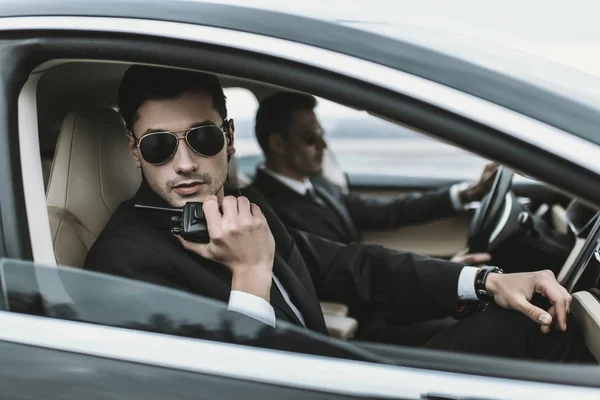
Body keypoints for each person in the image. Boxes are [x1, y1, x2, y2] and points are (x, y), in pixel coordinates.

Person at [83, 65, 593, 362]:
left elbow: (349, 265)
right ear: (133, 149)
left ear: (230, 139)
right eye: (158, 147)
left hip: (335, 367)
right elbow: (218, 386)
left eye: (203, 138)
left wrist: (484, 281)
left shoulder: (245, 209)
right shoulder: (121, 261)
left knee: (541, 321)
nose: (186, 162)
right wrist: (251, 273)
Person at [251, 91, 495, 264]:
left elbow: (391, 211)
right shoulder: (266, 209)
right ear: (278, 144)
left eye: (321, 133)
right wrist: (446, 274)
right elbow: (344, 268)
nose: (323, 145)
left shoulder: (317, 185)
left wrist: (466, 194)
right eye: (311, 138)